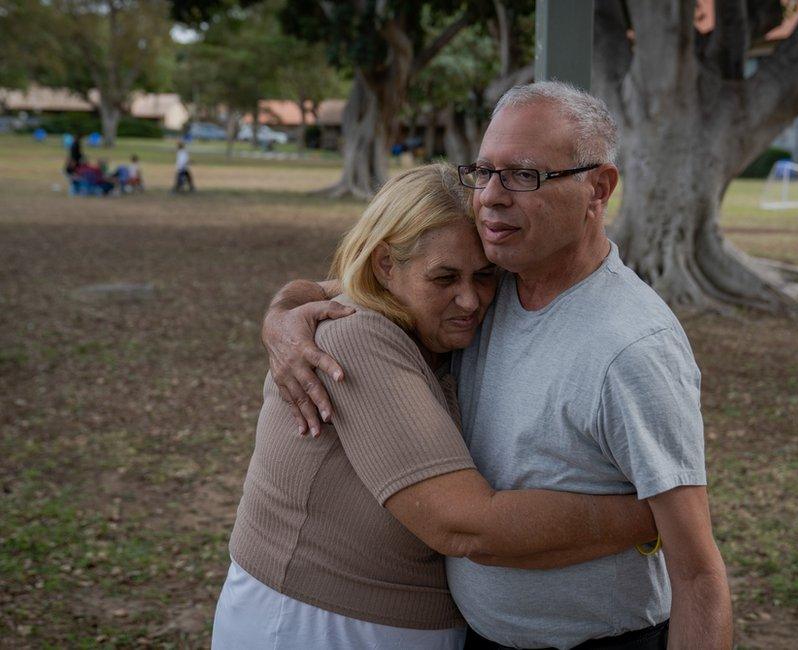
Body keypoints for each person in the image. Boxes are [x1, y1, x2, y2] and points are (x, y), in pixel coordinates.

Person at [263, 82, 733, 649]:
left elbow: (699, 574)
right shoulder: (493, 282)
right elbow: (363, 287)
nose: (489, 196)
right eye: (483, 171)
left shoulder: (632, 349)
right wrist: (285, 315)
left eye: (524, 175)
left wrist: (653, 518)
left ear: (598, 188)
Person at [212, 164, 660, 650]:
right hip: (318, 624)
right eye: (444, 277)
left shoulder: (438, 325)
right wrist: (657, 512)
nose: (469, 300)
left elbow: (323, 286)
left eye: (485, 277)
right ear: (386, 264)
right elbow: (464, 524)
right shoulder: (355, 338)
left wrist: (283, 308)